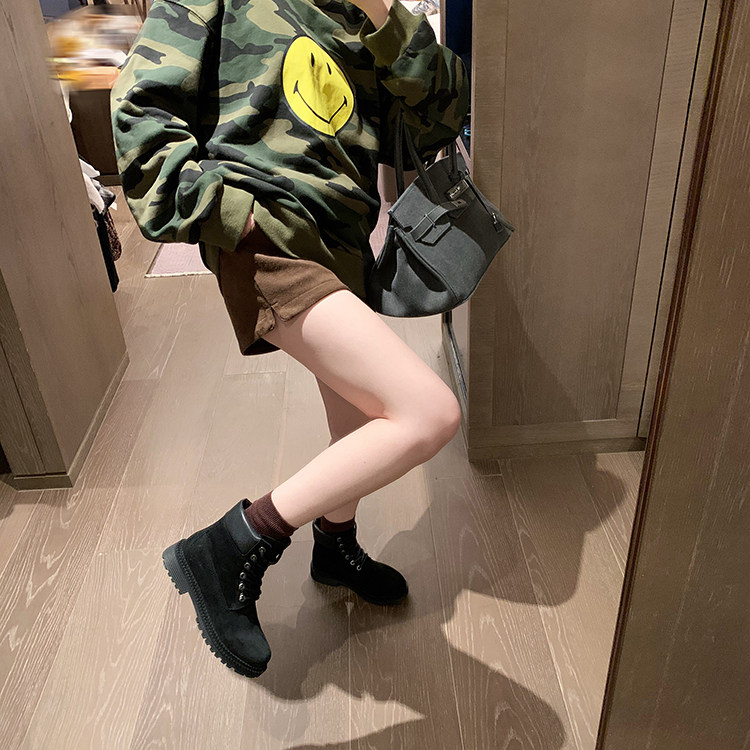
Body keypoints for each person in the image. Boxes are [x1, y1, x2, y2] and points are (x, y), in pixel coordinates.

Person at [111, 0, 469, 678]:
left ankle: (335, 545)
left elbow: (441, 117)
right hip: (268, 234)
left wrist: (386, 17)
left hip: (346, 241)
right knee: (428, 412)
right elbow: (141, 109)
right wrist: (230, 215)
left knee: (359, 417)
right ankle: (234, 544)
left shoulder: (364, 19)